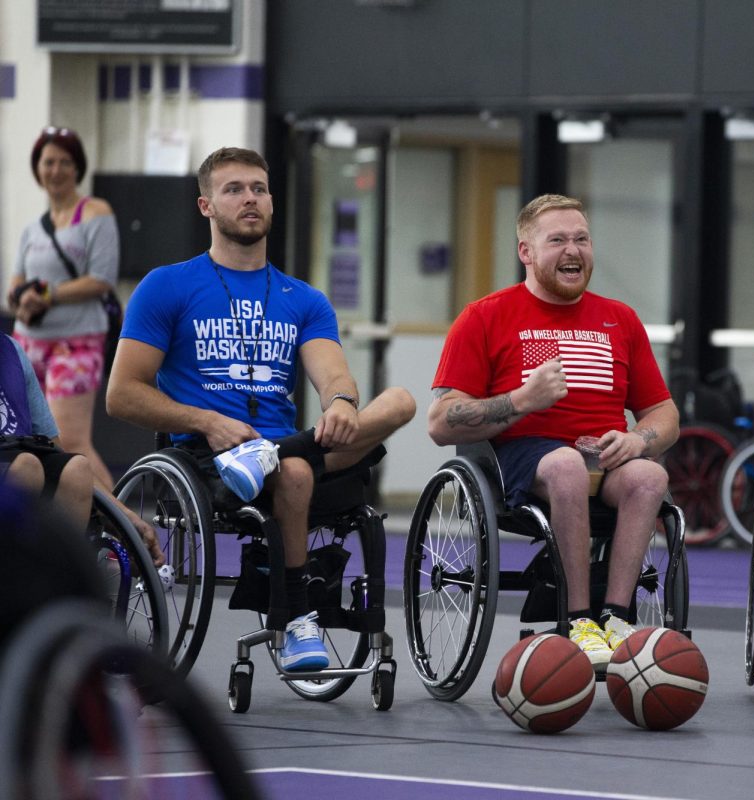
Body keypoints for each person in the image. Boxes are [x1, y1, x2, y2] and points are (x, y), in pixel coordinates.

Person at [107, 146, 416, 671]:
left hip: (289, 444)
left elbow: (333, 374)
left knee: (401, 402)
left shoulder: (304, 299)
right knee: (293, 471)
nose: (250, 199)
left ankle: (277, 456)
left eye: (258, 188)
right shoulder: (168, 286)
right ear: (206, 206)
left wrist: (340, 403)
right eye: (234, 190)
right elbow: (121, 394)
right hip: (208, 457)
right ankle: (296, 620)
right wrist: (204, 420)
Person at [427, 193, 680, 670]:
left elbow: (664, 414)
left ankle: (617, 617)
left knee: (650, 478)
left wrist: (638, 440)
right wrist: (523, 400)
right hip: (524, 456)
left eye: (581, 239)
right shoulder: (485, 315)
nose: (573, 251)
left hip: (605, 457)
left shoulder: (620, 318)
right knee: (564, 466)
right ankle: (578, 620)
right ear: (526, 252)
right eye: (557, 240)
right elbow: (441, 422)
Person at [7, 126, 120, 489]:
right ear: (37, 168)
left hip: (76, 342)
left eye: (64, 162)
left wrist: (48, 296)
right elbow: (15, 283)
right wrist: (22, 300)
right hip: (27, 344)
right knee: (25, 441)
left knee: (70, 441)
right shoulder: (31, 229)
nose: (55, 170)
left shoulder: (95, 212)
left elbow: (102, 278)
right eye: (48, 162)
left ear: (78, 168)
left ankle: (123, 525)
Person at [0, 332, 164, 566]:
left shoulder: (11, 351)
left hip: (19, 458)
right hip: (19, 469)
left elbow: (55, 447)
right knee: (27, 466)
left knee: (76, 469)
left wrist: (123, 517)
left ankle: (60, 584)